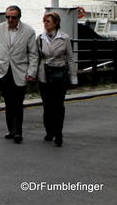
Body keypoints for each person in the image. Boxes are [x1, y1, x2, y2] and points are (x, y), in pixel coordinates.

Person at [0, 5, 38, 143]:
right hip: (3, 71)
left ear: (19, 17)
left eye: (13, 17)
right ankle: (10, 129)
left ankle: (18, 132)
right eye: (8, 17)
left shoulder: (28, 31)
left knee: (18, 103)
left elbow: (33, 54)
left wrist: (31, 72)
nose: (10, 20)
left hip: (20, 71)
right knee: (8, 103)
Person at [36, 12, 78, 147]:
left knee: (58, 106)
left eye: (48, 21)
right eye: (44, 21)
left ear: (56, 23)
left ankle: (58, 133)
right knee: (47, 106)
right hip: (44, 75)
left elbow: (70, 58)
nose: (46, 24)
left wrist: (73, 77)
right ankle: (49, 131)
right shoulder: (40, 38)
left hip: (59, 74)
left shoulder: (64, 38)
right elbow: (36, 57)